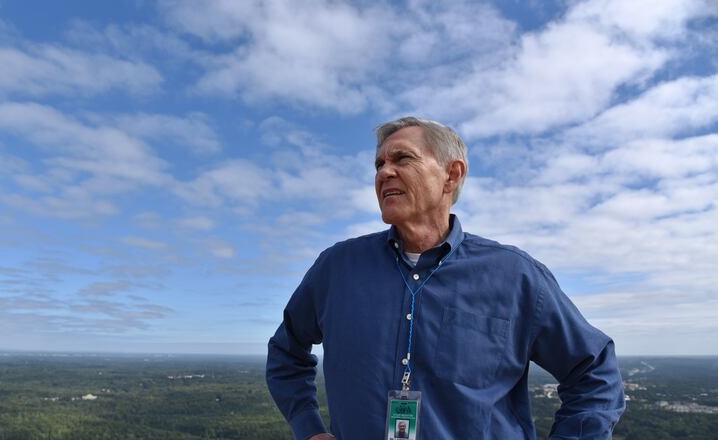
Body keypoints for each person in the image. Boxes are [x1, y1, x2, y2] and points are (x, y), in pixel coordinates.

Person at [266, 116, 625, 439]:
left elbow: (594, 374)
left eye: (402, 158)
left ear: (451, 175)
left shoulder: (515, 276)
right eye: (379, 163)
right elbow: (286, 351)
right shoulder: (337, 268)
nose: (384, 172)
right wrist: (308, 429)